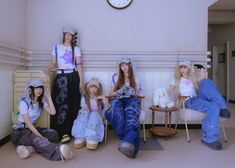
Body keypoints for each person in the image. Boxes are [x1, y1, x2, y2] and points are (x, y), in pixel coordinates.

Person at [168, 60, 231, 150]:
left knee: (206, 82)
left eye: (185, 67)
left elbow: (203, 85)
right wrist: (163, 100)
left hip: (198, 98)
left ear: (189, 68)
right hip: (188, 101)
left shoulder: (192, 78)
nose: (182, 69)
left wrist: (202, 72)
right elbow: (169, 92)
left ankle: (222, 107)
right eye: (181, 67)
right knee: (214, 107)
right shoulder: (176, 79)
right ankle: (209, 138)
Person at [11, 79, 73, 161]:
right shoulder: (24, 102)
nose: (39, 90)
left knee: (53, 134)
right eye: (36, 88)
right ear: (30, 90)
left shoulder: (41, 102)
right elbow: (29, 124)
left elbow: (53, 112)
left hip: (31, 130)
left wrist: (49, 97)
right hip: (20, 132)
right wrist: (40, 136)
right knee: (38, 138)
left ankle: (30, 149)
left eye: (40, 88)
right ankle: (59, 153)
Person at [44, 26, 83, 143]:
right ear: (63, 35)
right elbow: (53, 63)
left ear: (73, 37)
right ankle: (62, 132)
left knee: (74, 103)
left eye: (70, 35)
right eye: (66, 34)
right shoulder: (56, 48)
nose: (68, 37)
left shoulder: (76, 49)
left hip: (73, 76)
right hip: (61, 77)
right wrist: (48, 68)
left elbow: (79, 65)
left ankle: (74, 131)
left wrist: (81, 81)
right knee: (61, 103)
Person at [105, 57, 142, 159]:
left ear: (130, 65)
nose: (124, 67)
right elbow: (110, 94)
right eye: (122, 65)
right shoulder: (116, 77)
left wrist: (133, 91)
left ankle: (128, 144)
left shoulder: (136, 79)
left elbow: (139, 94)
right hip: (119, 100)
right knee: (114, 108)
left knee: (131, 116)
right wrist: (120, 91)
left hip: (131, 100)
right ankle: (127, 138)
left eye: (126, 64)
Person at [71, 77, 105, 150]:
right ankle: (81, 136)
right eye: (91, 87)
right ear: (88, 88)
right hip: (86, 118)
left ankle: (92, 137)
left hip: (96, 118)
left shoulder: (100, 99)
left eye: (95, 87)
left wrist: (103, 99)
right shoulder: (84, 98)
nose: (93, 89)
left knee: (94, 114)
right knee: (84, 112)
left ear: (98, 89)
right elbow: (83, 109)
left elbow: (104, 111)